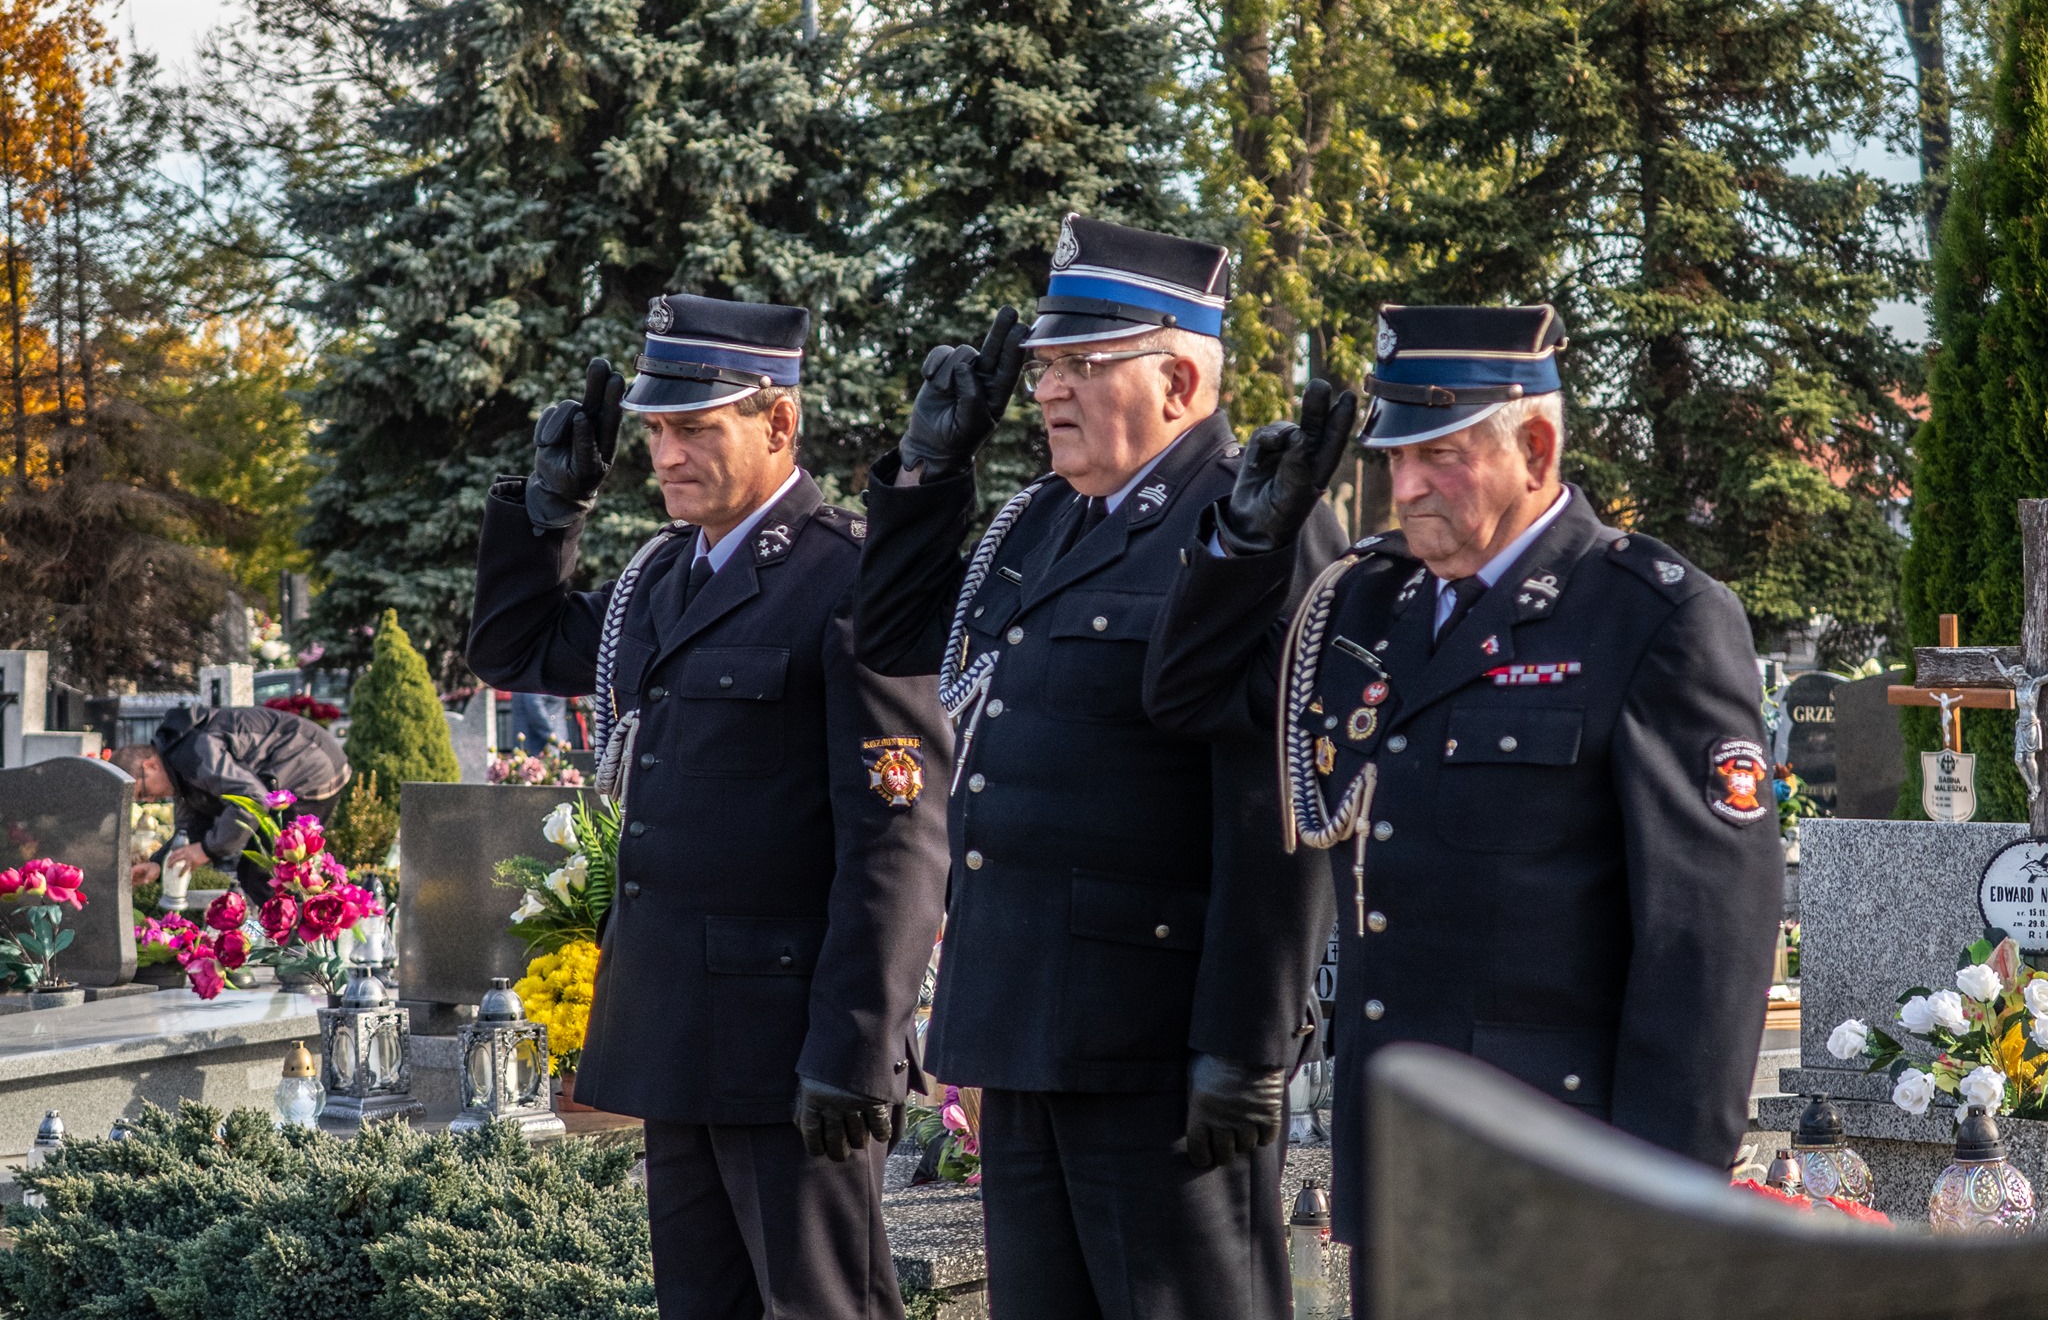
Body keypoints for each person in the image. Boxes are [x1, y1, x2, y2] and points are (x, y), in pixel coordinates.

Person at [1141, 303, 1783, 1312]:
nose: (1404, 490)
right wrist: (1246, 549)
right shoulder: (1373, 600)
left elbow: (1703, 947)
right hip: (1403, 1163)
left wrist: (1667, 1206)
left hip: (1564, 1171)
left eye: (1437, 458)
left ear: (1532, 445)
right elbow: (1186, 699)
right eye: (1392, 460)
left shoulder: (1646, 615)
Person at [856, 213, 1343, 1320]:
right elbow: (892, 641)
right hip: (1027, 1023)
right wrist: (929, 471)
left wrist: (1246, 1041)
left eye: (1082, 364)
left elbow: (1279, 809)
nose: (1047, 392)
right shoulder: (1040, 519)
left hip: (1160, 1044)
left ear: (1177, 378)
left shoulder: (1251, 521)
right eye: (1041, 367)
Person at [467, 296, 950, 1320]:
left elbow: (896, 840)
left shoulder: (851, 578)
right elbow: (513, 648)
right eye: (652, 430)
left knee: (822, 1307)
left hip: (792, 1049)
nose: (665, 453)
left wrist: (857, 1046)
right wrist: (549, 515)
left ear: (778, 424)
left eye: (695, 427)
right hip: (678, 1034)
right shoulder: (659, 578)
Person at [111, 705, 351, 898]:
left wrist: (207, 849)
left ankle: (300, 948)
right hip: (290, 771)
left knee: (270, 876)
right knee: (256, 876)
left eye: (144, 793)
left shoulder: (196, 753)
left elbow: (251, 798)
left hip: (310, 767)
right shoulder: (179, 766)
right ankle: (277, 944)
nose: (151, 800)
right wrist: (159, 865)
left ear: (150, 766)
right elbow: (190, 830)